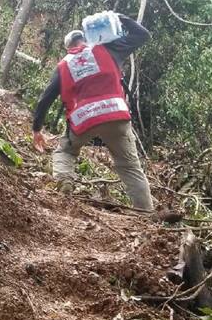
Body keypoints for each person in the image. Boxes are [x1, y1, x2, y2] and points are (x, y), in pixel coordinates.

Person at [31, 14, 154, 211]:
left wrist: (37, 128)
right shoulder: (109, 49)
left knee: (65, 151)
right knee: (130, 167)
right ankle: (147, 215)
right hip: (116, 115)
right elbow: (143, 35)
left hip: (84, 119)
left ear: (68, 47)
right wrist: (119, 18)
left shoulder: (64, 65)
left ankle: (64, 185)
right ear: (87, 38)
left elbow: (46, 99)